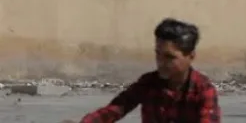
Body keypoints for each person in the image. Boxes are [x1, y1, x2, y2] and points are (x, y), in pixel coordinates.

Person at [63, 18, 220, 122]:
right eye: (158, 54)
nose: (161, 62)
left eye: (169, 57)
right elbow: (115, 109)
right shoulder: (148, 83)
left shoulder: (203, 90)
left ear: (190, 56)